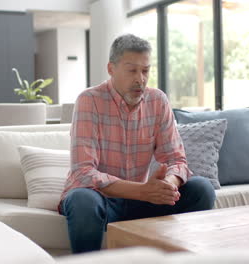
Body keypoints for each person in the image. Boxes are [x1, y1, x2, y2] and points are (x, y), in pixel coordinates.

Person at [59, 34, 215, 253]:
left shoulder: (157, 100)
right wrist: (142, 191)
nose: (140, 79)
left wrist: (167, 186)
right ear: (111, 69)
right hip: (102, 199)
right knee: (82, 199)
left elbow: (176, 160)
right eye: (132, 70)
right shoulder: (89, 100)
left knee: (202, 189)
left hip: (142, 200)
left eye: (145, 71)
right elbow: (83, 172)